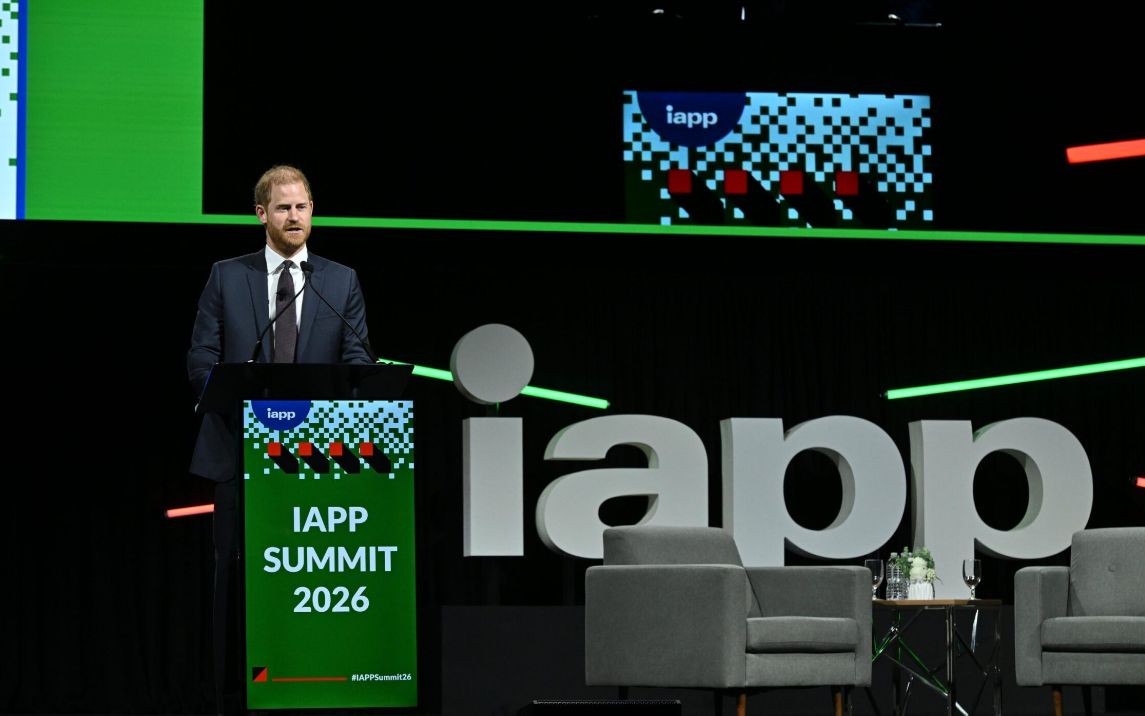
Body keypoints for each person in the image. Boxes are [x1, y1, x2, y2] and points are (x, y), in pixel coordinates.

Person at [186, 165, 373, 714]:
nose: (295, 217)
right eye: (284, 207)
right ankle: (231, 699)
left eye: (302, 207)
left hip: (315, 459)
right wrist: (236, 398)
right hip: (239, 453)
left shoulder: (340, 281)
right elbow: (201, 358)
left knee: (311, 577)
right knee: (235, 581)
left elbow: (358, 362)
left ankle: (312, 687)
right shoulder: (227, 276)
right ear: (261, 214)